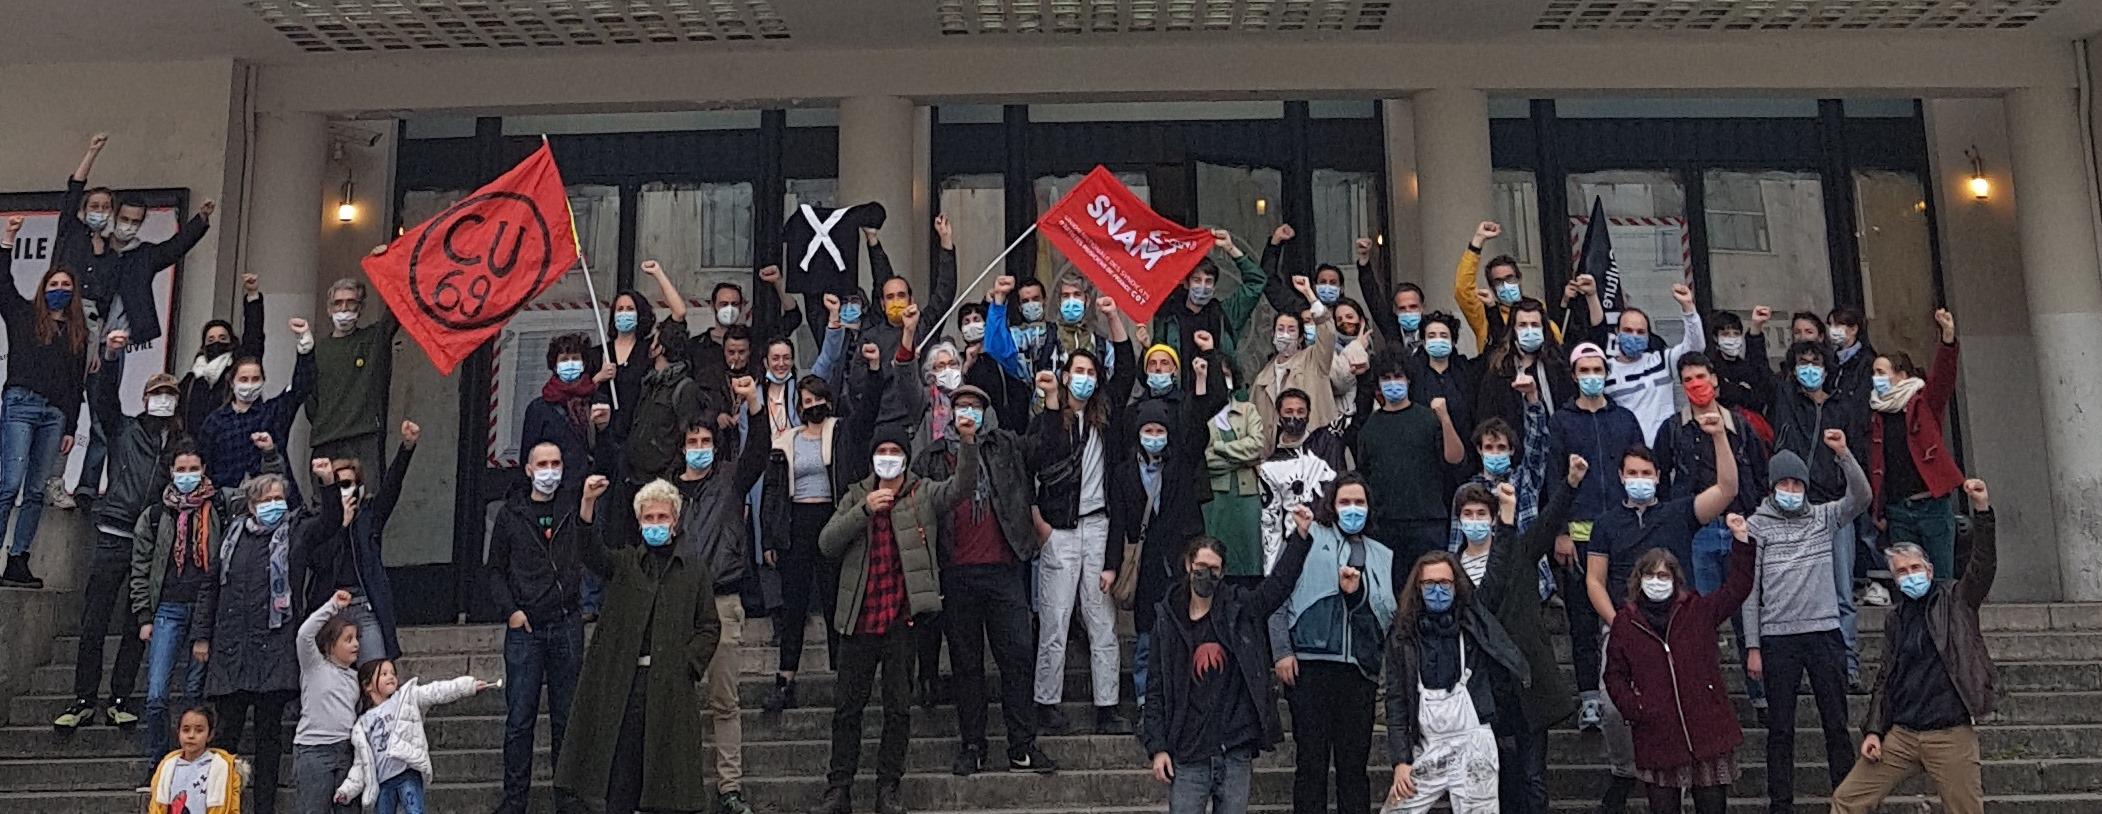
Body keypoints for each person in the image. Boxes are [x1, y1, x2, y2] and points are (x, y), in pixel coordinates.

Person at [814, 417, 982, 814]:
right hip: (858, 617)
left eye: (895, 452)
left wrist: (969, 443)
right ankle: (839, 788)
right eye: (882, 452)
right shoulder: (856, 495)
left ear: (905, 458)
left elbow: (962, 487)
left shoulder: (921, 493)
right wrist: (863, 511)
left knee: (898, 708)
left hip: (902, 620)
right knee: (847, 709)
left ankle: (888, 787)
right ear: (872, 457)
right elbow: (826, 543)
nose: (888, 458)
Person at [1583, 409, 1736, 812]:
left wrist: (1719, 436)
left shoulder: (1679, 512)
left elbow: (1726, 488)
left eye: (1646, 472)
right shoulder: (1606, 523)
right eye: (1631, 472)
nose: (1639, 479)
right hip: (1625, 626)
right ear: (1620, 477)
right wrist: (1618, 624)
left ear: (1657, 477)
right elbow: (1594, 580)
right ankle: (1625, 769)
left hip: (1681, 629)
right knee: (1613, 708)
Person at [553, 473, 725, 814]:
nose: (656, 524)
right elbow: (591, 551)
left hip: (671, 688)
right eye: (649, 517)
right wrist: (588, 502)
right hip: (626, 686)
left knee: (667, 783)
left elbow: (709, 625)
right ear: (639, 521)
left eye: (662, 517)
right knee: (621, 782)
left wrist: (687, 663)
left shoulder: (693, 571)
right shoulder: (626, 564)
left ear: (675, 521)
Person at [1830, 479, 1996, 814]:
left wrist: (1982, 511)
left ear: (1929, 569)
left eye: (1915, 568)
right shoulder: (1896, 618)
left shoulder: (1956, 599)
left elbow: (1983, 566)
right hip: (1902, 735)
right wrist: (1874, 730)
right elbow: (1886, 676)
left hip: (1949, 733)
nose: (1910, 575)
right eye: (1902, 571)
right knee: (1847, 800)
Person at [920, 385, 1057, 775]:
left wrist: (1049, 404)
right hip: (956, 572)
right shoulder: (933, 456)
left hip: (1004, 568)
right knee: (966, 664)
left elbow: (1045, 448)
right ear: (949, 412)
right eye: (961, 406)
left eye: (976, 407)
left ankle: (1022, 746)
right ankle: (973, 745)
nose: (968, 413)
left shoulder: (1005, 445)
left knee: (1017, 656)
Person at [1141, 519, 1315, 814]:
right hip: (1188, 749)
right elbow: (1156, 688)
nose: (1206, 575)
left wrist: (1299, 539)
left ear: (1223, 572)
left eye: (1214, 569)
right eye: (1201, 567)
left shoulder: (1239, 609)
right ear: (1187, 565)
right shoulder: (1168, 620)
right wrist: (1157, 748)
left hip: (1234, 747)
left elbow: (1276, 589)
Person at [1743, 431, 1870, 813]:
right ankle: (1780, 804)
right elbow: (1750, 590)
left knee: (1836, 723)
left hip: (1824, 633)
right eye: (1783, 483)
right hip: (1778, 638)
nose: (1791, 489)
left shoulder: (1823, 517)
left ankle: (1847, 800)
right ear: (1771, 487)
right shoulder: (1756, 525)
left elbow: (1861, 498)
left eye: (1796, 483)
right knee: (1780, 728)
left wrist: (1844, 455)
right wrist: (1752, 646)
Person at [1028, 298, 1136, 737]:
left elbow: (1127, 369)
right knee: (1054, 617)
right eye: (1078, 372)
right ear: (1065, 374)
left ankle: (1107, 705)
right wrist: (1041, 527)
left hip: (1099, 525)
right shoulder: (1049, 418)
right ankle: (1046, 703)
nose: (1085, 380)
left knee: (1101, 619)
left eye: (1091, 372)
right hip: (1060, 529)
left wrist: (1112, 318)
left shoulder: (1106, 418)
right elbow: (1039, 460)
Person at [1602, 514, 1758, 814]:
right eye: (1650, 575)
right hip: (1657, 735)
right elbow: (1614, 675)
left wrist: (1741, 541)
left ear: (1676, 580)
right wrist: (1635, 708)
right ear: (1639, 580)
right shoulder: (1626, 623)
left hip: (1707, 728)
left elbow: (1737, 588)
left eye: (1664, 576)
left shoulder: (1697, 611)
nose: (1657, 582)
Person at [54, 353, 174, 731]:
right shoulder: (125, 429)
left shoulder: (181, 441)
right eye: (157, 393)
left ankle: (120, 697)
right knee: (94, 622)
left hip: (151, 541)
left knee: (136, 624)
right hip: (113, 532)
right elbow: (103, 397)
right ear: (145, 398)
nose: (163, 399)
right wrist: (109, 357)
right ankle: (83, 700)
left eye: (170, 394)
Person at [200, 447, 321, 814]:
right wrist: (201, 637)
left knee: (269, 740)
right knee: (226, 738)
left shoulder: (295, 535)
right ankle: (221, 804)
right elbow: (210, 588)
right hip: (232, 650)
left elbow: (329, 521)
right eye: (266, 499)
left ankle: (263, 808)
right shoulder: (231, 539)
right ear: (251, 505)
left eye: (278, 498)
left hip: (274, 650)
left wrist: (325, 483)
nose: (274, 504)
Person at [669, 407, 774, 814]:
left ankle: (730, 787)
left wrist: (755, 409)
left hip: (723, 599)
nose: (699, 449)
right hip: (678, 601)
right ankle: (678, 783)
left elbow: (759, 451)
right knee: (675, 700)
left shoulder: (730, 479)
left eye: (706, 442)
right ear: (682, 448)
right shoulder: (666, 492)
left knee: (724, 700)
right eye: (692, 442)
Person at [1651, 353, 1769, 717]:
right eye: (1688, 379)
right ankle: (1706, 694)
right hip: (1697, 532)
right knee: (1699, 617)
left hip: (1738, 527)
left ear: (1715, 380)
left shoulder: (1742, 426)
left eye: (1701, 376)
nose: (1696, 385)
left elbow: (1760, 476)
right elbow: (1661, 479)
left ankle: (1759, 695)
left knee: (1748, 610)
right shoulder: (1672, 429)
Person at [1110, 355, 1227, 720]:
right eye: (1149, 432)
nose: (1155, 437)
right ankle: (1148, 701)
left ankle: (1184, 698)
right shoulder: (1125, 473)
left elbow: (1196, 427)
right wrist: (1111, 567)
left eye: (1160, 431)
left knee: (1182, 627)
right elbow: (1117, 522)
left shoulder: (1180, 464)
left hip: (1179, 560)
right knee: (1146, 637)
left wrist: (1201, 381)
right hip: (1144, 563)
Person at [1269, 475, 1394, 814]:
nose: (1352, 509)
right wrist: (1282, 650)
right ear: (1331, 504)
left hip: (1358, 673)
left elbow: (1387, 617)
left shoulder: (1382, 554)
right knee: (1311, 765)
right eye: (1345, 502)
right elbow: (1276, 598)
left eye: (1359, 503)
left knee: (1354, 770)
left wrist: (1356, 597)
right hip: (1310, 668)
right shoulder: (1307, 538)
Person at [761, 367, 878, 713]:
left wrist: (872, 373)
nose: (814, 405)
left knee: (834, 599)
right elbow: (773, 492)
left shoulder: (840, 431)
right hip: (797, 522)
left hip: (832, 518)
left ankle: (844, 676)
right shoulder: (786, 441)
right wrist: (770, 536)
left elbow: (868, 413)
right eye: (807, 401)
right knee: (794, 603)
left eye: (818, 399)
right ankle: (785, 678)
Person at [1470, 463, 1582, 814]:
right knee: (1501, 776)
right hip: (1488, 685)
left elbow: (1549, 522)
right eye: (1467, 514)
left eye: (1481, 514)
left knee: (1534, 777)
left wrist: (1570, 483)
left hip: (1528, 681)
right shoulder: (1451, 569)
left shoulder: (1520, 550)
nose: (1475, 519)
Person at [482, 442, 588, 814]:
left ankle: (568, 797)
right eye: (542, 464)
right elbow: (495, 570)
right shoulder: (512, 514)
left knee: (567, 717)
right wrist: (511, 611)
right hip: (525, 629)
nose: (549, 470)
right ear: (527, 469)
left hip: (565, 623)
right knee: (520, 719)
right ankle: (514, 800)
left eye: (556, 463)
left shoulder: (574, 507)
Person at [1379, 548, 1527, 814]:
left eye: (1445, 583)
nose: (1438, 590)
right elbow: (1397, 700)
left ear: (1456, 585)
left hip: (1474, 746)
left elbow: (1497, 574)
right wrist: (1400, 761)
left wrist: (1504, 523)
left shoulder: (1473, 625)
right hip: (1427, 744)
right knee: (1397, 810)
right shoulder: (1403, 637)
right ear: (1418, 587)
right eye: (1429, 583)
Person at [1544, 342, 1643, 735]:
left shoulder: (1625, 419)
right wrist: (1560, 531)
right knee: (1583, 620)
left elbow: (1640, 466)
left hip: (1621, 531)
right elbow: (1553, 479)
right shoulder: (1562, 423)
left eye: (1597, 369)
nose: (1591, 376)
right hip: (1580, 536)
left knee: (1628, 613)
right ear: (1573, 376)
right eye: (1584, 370)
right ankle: (1589, 697)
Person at [1768, 339, 1869, 682]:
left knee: (1841, 591)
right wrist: (1756, 332)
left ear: (1827, 368)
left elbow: (1859, 456)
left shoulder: (1844, 407)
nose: (1808, 368)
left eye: (1815, 362)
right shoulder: (1787, 400)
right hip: (1797, 507)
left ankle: (1849, 665)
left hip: (1835, 508)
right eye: (1802, 362)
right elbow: (1757, 368)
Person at [0, 216, 92, 587]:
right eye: (53, 284)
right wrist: (8, 240)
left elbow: (75, 384)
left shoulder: (76, 333)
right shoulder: (24, 315)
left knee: (37, 489)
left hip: (54, 415)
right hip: (21, 405)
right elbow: (2, 285)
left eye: (65, 285)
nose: (59, 289)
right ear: (43, 289)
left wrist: (70, 425)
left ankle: (18, 560)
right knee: (10, 483)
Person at [130, 443, 229, 761]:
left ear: (204, 470)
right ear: (170, 472)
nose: (187, 475)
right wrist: (144, 614)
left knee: (193, 694)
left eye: (193, 469)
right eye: (181, 469)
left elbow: (266, 488)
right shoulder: (155, 515)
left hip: (204, 611)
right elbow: (141, 567)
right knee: (156, 694)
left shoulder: (219, 508)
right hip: (167, 609)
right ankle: (158, 760)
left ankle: (191, 758)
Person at [306, 420, 420, 664]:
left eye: (348, 484)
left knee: (375, 670)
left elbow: (392, 487)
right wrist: (341, 524)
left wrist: (407, 448)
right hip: (330, 607)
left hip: (364, 603)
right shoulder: (317, 520)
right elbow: (318, 562)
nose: (344, 490)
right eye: (337, 485)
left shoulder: (370, 514)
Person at [1869, 309, 1964, 578]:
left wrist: (1947, 339)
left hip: (1931, 506)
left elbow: (1943, 380)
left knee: (1941, 577)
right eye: (1874, 373)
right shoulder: (1876, 414)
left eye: (1881, 372)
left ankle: (1944, 621)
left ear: (1901, 375)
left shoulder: (1922, 402)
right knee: (1908, 578)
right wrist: (1878, 507)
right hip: (1899, 509)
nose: (1876, 378)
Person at [333, 660, 491, 814]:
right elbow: (361, 764)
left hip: (406, 773)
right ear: (368, 686)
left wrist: (468, 686)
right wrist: (346, 791)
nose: (391, 677)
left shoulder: (405, 698)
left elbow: (436, 691)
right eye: (384, 674)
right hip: (382, 783)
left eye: (393, 673)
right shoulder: (362, 724)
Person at [1356, 363, 1464, 566]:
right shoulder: (1369, 428)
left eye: (1398, 376)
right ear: (1378, 385)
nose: (1393, 383)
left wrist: (1445, 418)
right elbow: (1365, 475)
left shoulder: (1429, 419)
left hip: (1428, 522)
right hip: (1385, 526)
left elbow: (1456, 458)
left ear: (1409, 380)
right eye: (1386, 378)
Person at [197, 321, 318, 494]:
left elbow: (301, 388)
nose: (250, 384)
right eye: (244, 379)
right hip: (228, 505)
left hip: (272, 500)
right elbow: (204, 466)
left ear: (263, 381)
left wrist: (305, 347)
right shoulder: (215, 422)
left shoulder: (273, 412)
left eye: (255, 379)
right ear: (232, 383)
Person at [306, 274, 401, 474]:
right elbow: (310, 399)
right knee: (324, 504)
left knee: (366, 503)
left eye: (351, 303)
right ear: (329, 308)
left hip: (363, 440)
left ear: (361, 308)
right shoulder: (317, 350)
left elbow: (398, 306)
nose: (343, 309)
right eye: (338, 303)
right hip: (325, 442)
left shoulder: (372, 339)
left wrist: (385, 263)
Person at [1148, 229, 1269, 378]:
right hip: (1181, 397)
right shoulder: (1169, 319)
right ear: (1186, 283)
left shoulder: (1226, 313)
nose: (1203, 287)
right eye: (1197, 280)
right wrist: (1146, 346)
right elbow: (1156, 363)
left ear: (1214, 287)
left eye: (1208, 281)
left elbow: (1257, 282)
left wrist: (1230, 248)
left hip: (1221, 396)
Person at [1599, 283, 1704, 441]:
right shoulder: (1605, 371)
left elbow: (1695, 348)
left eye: (1641, 332)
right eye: (1627, 331)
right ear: (1616, 332)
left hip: (1666, 447)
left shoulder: (1661, 361)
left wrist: (1688, 308)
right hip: (1629, 454)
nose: (1634, 336)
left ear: (1649, 335)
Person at [295, 589, 366, 814]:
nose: (355, 644)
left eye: (356, 639)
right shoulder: (314, 666)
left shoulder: (356, 678)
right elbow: (304, 635)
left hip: (346, 750)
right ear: (330, 644)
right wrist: (332, 605)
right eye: (348, 639)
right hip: (313, 750)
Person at [1201, 354, 1268, 583]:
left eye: (1226, 374)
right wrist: (1241, 460)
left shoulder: (1248, 410)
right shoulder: (1199, 414)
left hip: (1247, 498)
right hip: (1214, 498)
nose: (1221, 380)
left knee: (1249, 563)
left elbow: (1257, 446)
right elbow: (1203, 459)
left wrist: (1219, 447)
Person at [521, 333, 613, 492]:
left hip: (594, 489)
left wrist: (603, 428)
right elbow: (527, 457)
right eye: (564, 359)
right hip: (555, 492)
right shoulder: (540, 408)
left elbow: (612, 451)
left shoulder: (599, 402)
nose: (570, 364)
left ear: (583, 364)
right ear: (555, 366)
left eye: (575, 358)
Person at [177, 273, 266, 438]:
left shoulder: (238, 368)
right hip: (198, 451)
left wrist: (252, 296)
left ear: (231, 341)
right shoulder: (191, 380)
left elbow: (254, 336)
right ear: (203, 345)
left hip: (233, 446)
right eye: (211, 339)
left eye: (222, 338)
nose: (216, 342)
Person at [1250, 276, 1339, 434]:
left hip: (1314, 446)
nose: (1285, 334)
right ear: (1273, 335)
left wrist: (1309, 294)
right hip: (1277, 450)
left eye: (1291, 330)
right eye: (1280, 329)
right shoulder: (1262, 379)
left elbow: (1327, 331)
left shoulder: (1315, 360)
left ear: (1300, 337)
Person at [1454, 221, 1561, 352]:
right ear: (1492, 287)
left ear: (1519, 278)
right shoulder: (1484, 318)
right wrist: (1478, 241)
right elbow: (1463, 289)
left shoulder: (1542, 318)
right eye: (1498, 281)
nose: (1505, 285)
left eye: (1509, 278)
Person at [146, 706, 244, 814]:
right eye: (186, 730)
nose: (191, 736)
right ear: (178, 733)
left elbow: (233, 808)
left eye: (199, 730)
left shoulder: (222, 767)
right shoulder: (167, 767)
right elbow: (156, 806)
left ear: (210, 735)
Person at [1709, 307, 1773, 418]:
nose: (1732, 338)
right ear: (1715, 338)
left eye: (1736, 334)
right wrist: (1743, 390)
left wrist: (1727, 389)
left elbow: (1759, 399)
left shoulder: (1746, 367)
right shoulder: (1710, 367)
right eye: (1725, 334)